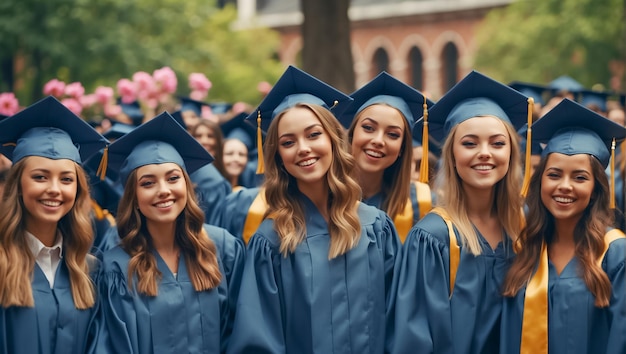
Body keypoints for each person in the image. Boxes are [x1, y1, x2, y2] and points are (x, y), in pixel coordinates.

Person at [227, 65, 401, 353]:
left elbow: (400, 322)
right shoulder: (271, 242)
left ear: (332, 140)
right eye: (288, 142)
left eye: (313, 135)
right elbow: (257, 340)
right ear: (279, 157)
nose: (303, 148)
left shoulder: (376, 228)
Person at [388, 71, 530, 354]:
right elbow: (413, 339)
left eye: (498, 143)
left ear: (512, 153)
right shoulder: (433, 238)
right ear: (451, 155)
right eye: (469, 143)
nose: (485, 153)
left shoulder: (522, 230)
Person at [99, 112, 244, 353]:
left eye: (173, 178)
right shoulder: (117, 267)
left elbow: (241, 331)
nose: (163, 190)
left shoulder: (224, 249)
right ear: (133, 197)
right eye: (147, 183)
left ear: (186, 185)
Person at [500, 99, 626, 354]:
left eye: (580, 177)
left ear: (595, 189)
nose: (565, 186)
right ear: (540, 182)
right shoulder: (524, 248)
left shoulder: (616, 254)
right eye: (554, 174)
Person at [0, 96, 108, 353]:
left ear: (78, 189)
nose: (54, 190)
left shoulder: (88, 269)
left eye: (67, 179)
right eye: (40, 177)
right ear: (18, 185)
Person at [338, 72, 435, 242]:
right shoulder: (326, 195)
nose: (378, 140)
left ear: (402, 148)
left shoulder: (422, 203)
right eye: (368, 128)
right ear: (352, 135)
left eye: (392, 134)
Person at [188, 118, 231, 225]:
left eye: (210, 136)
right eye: (198, 136)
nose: (204, 141)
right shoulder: (209, 180)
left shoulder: (223, 173)